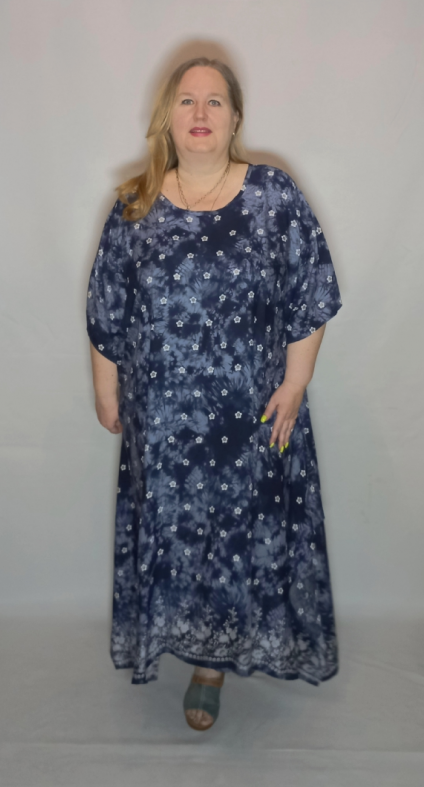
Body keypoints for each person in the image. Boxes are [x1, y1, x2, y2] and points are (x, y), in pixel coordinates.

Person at [86, 56, 343, 732]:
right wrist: (106, 391)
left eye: (214, 101)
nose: (199, 113)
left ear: (234, 119)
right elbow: (106, 308)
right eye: (186, 101)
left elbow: (311, 293)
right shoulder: (134, 206)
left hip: (249, 420)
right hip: (162, 424)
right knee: (175, 537)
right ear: (166, 118)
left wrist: (295, 383)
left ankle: (209, 668)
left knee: (232, 542)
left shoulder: (272, 196)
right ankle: (183, 639)